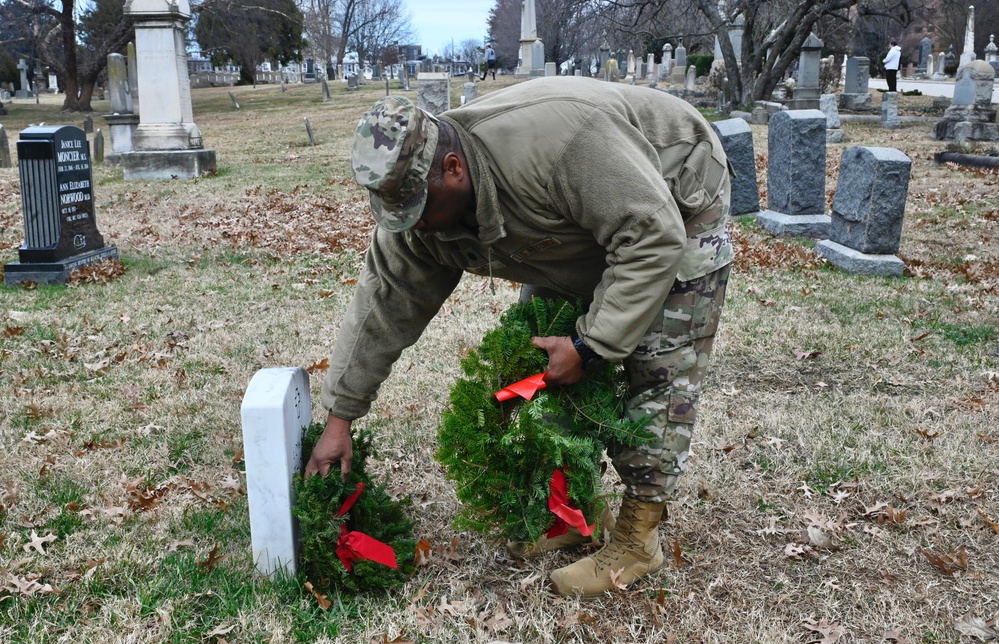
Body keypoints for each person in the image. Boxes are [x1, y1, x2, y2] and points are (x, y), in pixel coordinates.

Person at [305, 77, 733, 597]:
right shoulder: (418, 216)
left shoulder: (560, 144)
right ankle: (571, 512)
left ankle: (637, 539)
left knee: (656, 361)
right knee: (540, 357)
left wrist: (591, 347)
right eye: (398, 215)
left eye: (418, 209)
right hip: (577, 223)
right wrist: (340, 417)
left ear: (453, 168)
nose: (413, 227)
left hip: (674, 195)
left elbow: (651, 235)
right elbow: (384, 305)